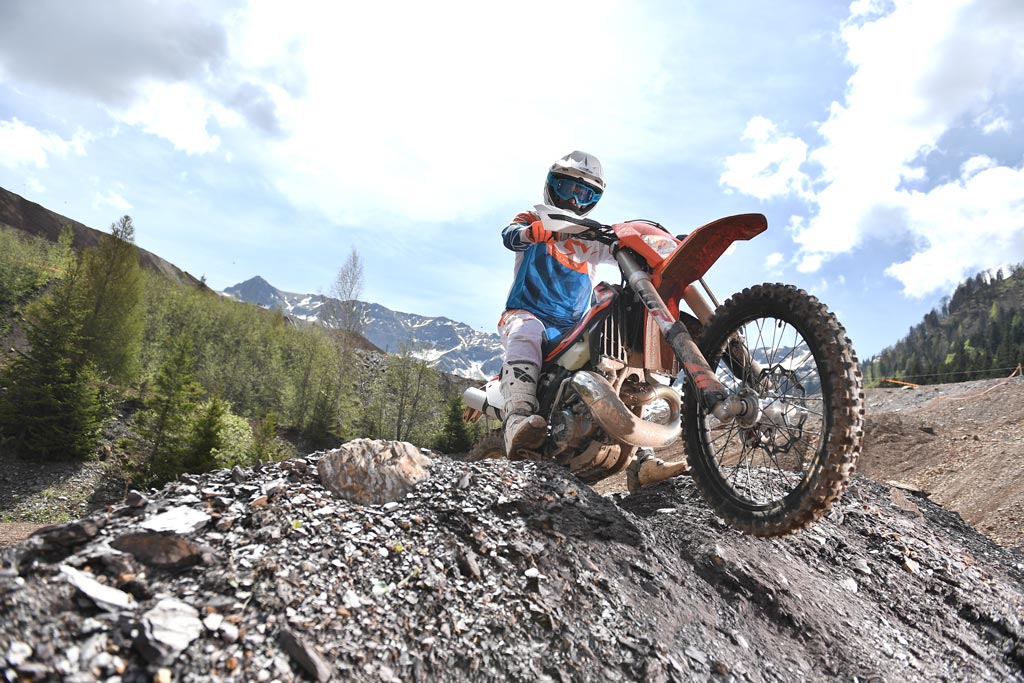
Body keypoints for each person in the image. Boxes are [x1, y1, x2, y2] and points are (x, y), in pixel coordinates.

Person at [497, 151, 617, 458]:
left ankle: (642, 456)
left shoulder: (594, 237)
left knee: (613, 348)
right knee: (526, 329)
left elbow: (622, 249)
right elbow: (510, 236)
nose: (574, 200)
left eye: (584, 194)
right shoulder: (534, 218)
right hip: (526, 312)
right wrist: (530, 233)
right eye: (567, 189)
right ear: (552, 186)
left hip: (572, 328)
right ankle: (517, 419)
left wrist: (657, 245)